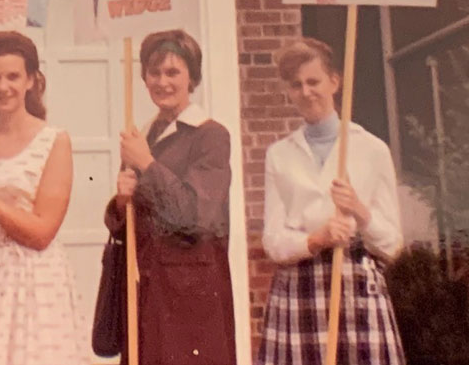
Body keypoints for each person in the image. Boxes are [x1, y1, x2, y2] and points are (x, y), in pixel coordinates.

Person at [258, 37, 405, 365]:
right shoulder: (279, 154)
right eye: (296, 85)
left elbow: (392, 245)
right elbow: (273, 241)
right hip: (300, 286)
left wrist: (359, 212)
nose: (306, 92)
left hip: (356, 285)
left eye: (314, 81)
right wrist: (316, 239)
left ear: (335, 82)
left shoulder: (371, 149)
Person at [0, 30, 88, 365]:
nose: (2, 86)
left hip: (35, 282)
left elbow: (41, 233)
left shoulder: (54, 141)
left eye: (13, 76)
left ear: (31, 81)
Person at [104, 29, 236, 365]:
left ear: (192, 78)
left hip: (191, 293)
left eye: (173, 72)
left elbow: (193, 216)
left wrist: (146, 163)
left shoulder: (211, 136)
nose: (162, 81)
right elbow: (132, 224)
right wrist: (121, 203)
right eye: (154, 72)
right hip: (146, 289)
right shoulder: (143, 134)